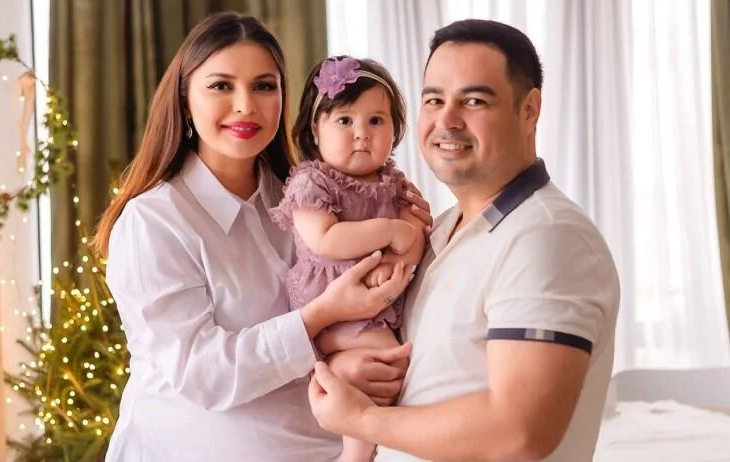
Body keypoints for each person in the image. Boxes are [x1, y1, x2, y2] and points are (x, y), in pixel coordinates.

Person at [92, 12, 431, 462]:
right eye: (221, 86)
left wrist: (408, 230)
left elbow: (384, 277)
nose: (245, 106)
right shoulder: (154, 221)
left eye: (264, 86)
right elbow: (204, 374)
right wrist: (322, 316)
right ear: (185, 99)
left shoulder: (310, 199)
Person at [307, 19, 620, 462]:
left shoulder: (548, 237)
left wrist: (361, 418)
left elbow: (519, 431)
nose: (447, 120)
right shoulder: (438, 230)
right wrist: (352, 367)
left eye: (474, 100)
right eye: (434, 100)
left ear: (529, 110)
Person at [270, 55, 426, 462]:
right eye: (345, 120)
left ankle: (362, 449)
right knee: (392, 363)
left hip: (379, 304)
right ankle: (360, 453)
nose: (362, 134)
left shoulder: (394, 182)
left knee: (361, 374)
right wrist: (388, 232)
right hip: (330, 306)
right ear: (315, 130)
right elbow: (325, 239)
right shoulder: (312, 181)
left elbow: (414, 233)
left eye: (376, 121)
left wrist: (393, 264)